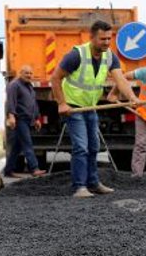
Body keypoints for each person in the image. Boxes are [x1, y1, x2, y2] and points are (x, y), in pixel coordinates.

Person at [50, 20, 140, 198]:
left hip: (90, 107)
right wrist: (61, 103)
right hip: (74, 107)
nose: (107, 42)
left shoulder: (109, 56)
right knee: (81, 147)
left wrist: (131, 97)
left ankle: (93, 182)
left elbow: (120, 79)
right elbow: (55, 78)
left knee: (94, 146)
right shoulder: (76, 55)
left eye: (109, 39)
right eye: (102, 39)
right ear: (92, 38)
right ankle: (79, 187)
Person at [3, 65, 46, 178]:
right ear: (20, 73)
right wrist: (11, 116)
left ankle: (8, 170)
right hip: (20, 119)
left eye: (31, 73)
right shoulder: (14, 85)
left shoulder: (29, 87)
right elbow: (10, 102)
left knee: (17, 147)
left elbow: (34, 103)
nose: (29, 75)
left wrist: (37, 118)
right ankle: (34, 168)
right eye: (26, 73)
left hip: (28, 120)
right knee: (27, 143)